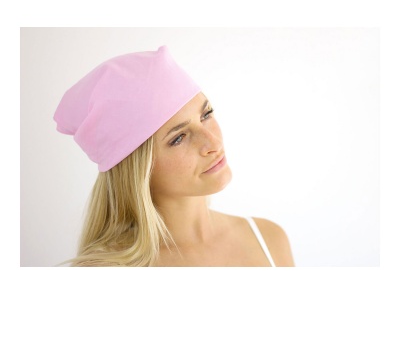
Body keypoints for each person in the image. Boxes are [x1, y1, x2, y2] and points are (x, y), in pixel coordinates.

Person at [54, 46, 295, 267]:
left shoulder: (269, 238)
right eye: (178, 138)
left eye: (206, 114)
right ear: (137, 168)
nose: (213, 143)